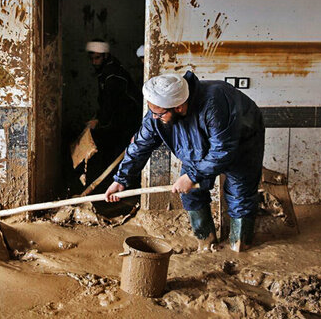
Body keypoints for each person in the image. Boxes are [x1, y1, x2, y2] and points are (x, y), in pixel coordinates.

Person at [105, 71, 265, 252]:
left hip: (241, 141)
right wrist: (121, 180)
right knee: (190, 194)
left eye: (159, 114)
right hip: (195, 139)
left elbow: (222, 150)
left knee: (239, 193)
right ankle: (206, 243)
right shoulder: (158, 113)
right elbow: (140, 145)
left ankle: (239, 246)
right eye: (152, 112)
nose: (154, 117)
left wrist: (192, 175)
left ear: (179, 107)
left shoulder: (216, 102)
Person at [83, 39, 142, 194]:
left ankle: (118, 188)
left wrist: (99, 120)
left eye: (97, 58)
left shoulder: (113, 76)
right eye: (92, 58)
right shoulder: (106, 72)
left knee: (118, 153)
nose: (94, 62)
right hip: (118, 119)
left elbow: (111, 103)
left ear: (106, 56)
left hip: (127, 120)